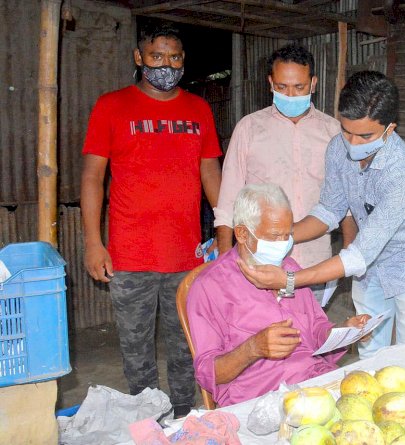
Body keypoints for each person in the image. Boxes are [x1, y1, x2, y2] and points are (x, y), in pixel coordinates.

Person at [239, 71, 405, 359]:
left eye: (366, 136)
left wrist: (289, 280)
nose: (354, 144)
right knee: (369, 344)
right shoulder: (338, 148)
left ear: (391, 129)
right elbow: (329, 210)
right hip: (369, 268)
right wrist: (280, 236)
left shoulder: (404, 173)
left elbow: (358, 255)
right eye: (347, 131)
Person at [80, 23, 222, 417]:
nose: (166, 65)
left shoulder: (198, 109)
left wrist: (226, 230)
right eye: (157, 56)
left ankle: (182, 415)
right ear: (138, 57)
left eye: (174, 57)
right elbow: (93, 177)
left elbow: (210, 173)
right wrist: (94, 243)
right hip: (130, 254)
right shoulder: (112, 106)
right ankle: (148, 418)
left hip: (186, 253)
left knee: (185, 344)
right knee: (136, 347)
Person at [187, 184, 370, 406]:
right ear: (243, 233)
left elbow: (316, 330)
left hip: (315, 384)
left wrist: (344, 332)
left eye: (288, 235)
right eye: (275, 236)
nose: (284, 245)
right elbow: (208, 373)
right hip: (260, 399)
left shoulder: (289, 269)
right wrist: (253, 348)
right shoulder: (210, 287)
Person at [214, 44, 357, 303]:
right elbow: (227, 204)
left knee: (309, 335)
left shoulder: (333, 132)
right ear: (270, 82)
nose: (290, 95)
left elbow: (346, 203)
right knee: (267, 334)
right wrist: (226, 262)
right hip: (261, 261)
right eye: (281, 87)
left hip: (315, 262)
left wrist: (348, 253)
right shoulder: (249, 129)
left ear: (313, 83)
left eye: (299, 87)